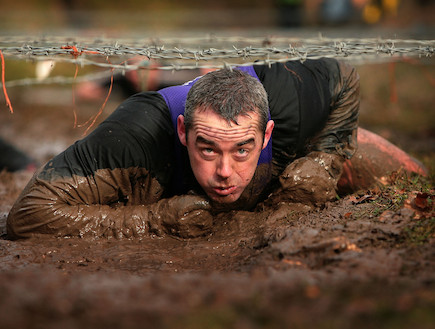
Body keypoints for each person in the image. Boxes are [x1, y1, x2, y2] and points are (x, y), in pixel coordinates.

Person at [6, 58, 426, 239]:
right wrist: (152, 221)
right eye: (208, 150)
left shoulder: (294, 98)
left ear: (265, 134)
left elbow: (346, 79)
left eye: (241, 151)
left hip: (294, 147)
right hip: (154, 172)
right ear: (184, 132)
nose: (225, 172)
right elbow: (28, 217)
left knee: (415, 182)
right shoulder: (135, 135)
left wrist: (323, 160)